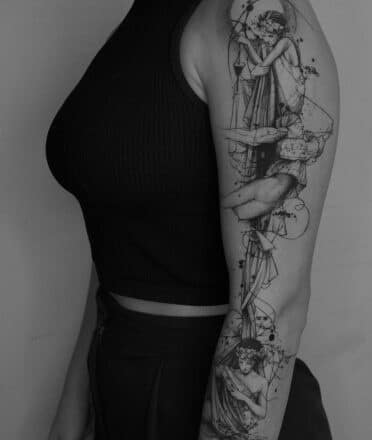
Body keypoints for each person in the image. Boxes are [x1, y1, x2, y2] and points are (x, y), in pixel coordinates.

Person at [46, 0, 339, 439]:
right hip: (119, 379)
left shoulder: (246, 12)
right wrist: (72, 414)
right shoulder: (144, 16)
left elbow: (273, 308)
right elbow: (119, 228)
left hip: (215, 401)